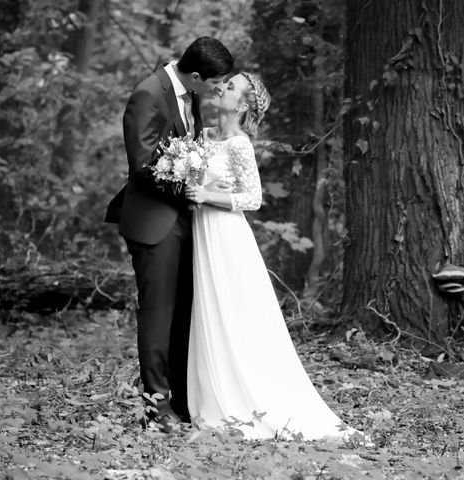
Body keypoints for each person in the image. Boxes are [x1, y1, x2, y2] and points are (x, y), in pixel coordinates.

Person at [184, 73, 364, 442]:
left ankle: (242, 399)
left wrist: (206, 196)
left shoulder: (239, 144)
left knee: (231, 313)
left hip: (226, 236)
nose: (222, 88)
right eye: (224, 83)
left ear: (244, 105)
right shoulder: (201, 137)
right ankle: (209, 394)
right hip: (200, 235)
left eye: (231, 87)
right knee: (207, 310)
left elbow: (253, 198)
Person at [104, 37, 234, 431]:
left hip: (184, 220)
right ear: (196, 76)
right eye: (216, 83)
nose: (219, 90)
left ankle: (183, 400)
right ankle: (156, 411)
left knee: (185, 315)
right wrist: (186, 178)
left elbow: (186, 143)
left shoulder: (189, 93)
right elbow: (142, 163)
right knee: (158, 317)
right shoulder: (148, 93)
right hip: (154, 223)